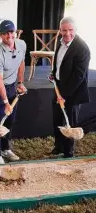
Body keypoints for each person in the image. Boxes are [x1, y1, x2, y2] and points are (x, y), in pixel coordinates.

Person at [49, 16, 90, 158]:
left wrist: (64, 95)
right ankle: (58, 147)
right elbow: (58, 63)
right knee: (57, 119)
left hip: (72, 92)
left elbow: (78, 76)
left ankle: (68, 153)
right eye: (64, 30)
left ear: (76, 30)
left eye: (70, 30)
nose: (67, 33)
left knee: (69, 124)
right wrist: (53, 74)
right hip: (59, 88)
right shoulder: (60, 42)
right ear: (60, 30)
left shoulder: (82, 49)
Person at [0, 20, 27, 164]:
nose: (9, 36)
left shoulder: (21, 45)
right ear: (0, 35)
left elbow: (21, 63)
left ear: (15, 32)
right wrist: (5, 102)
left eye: (11, 32)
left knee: (10, 120)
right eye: (5, 33)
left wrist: (20, 83)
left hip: (11, 85)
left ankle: (5, 148)